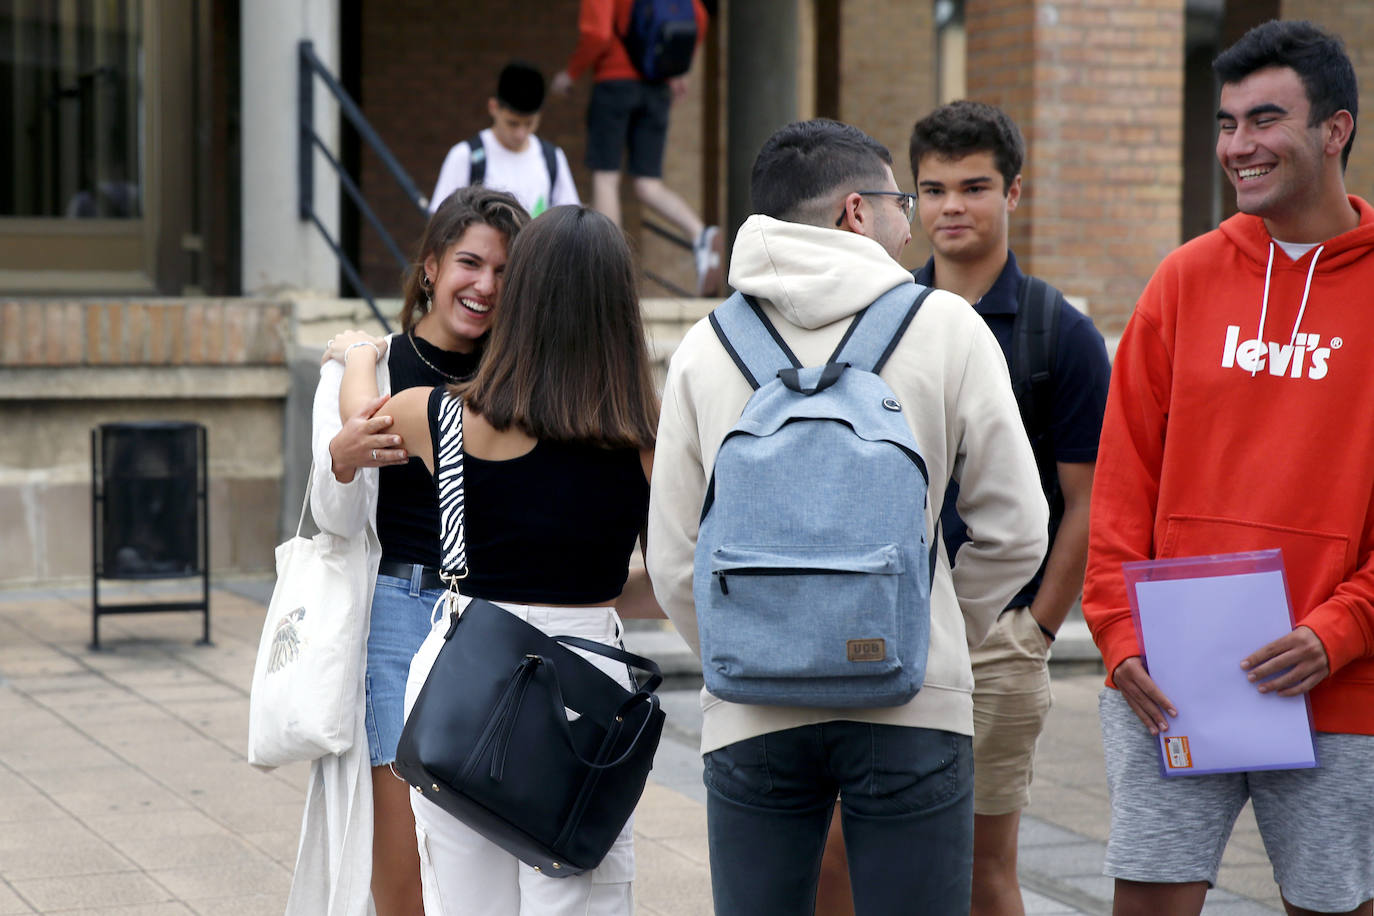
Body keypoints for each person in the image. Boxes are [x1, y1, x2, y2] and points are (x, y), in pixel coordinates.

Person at [646, 117, 1048, 915]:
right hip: (913, 706)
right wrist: (926, 626)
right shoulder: (946, 328)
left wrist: (753, 640)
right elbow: (1019, 528)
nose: (913, 219)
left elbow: (672, 561)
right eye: (903, 198)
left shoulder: (703, 347)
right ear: (856, 212)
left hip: (751, 714)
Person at [1082, 19, 1374, 916]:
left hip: (1340, 679)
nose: (1238, 147)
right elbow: (1122, 478)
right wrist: (1120, 637)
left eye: (1265, 120)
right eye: (1226, 123)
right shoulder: (1183, 280)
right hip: (1171, 681)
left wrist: (1340, 629)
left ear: (1335, 129)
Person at [327, 204, 661, 915]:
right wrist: (599, 593)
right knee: (579, 890)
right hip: (588, 677)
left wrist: (362, 354)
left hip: (464, 668)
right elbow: (675, 584)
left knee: (464, 899)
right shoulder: (647, 436)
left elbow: (362, 416)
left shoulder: (440, 416)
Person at [299, 186, 529, 916]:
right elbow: (337, 520)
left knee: (486, 852)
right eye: (469, 263)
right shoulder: (368, 369)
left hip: (497, 618)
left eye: (503, 271)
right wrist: (338, 460)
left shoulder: (524, 378)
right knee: (399, 863)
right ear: (430, 267)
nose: (485, 286)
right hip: (400, 613)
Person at [550, 0, 723, 296]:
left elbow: (598, 35)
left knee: (606, 177)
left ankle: (610, 269)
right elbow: (698, 17)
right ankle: (699, 233)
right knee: (648, 184)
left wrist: (571, 74)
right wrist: (680, 68)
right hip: (656, 88)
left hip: (614, 84)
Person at [430, 61, 580, 218]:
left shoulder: (553, 157)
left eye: (529, 124)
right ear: (493, 107)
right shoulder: (466, 156)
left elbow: (570, 223)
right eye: (512, 123)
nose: (520, 134)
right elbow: (440, 223)